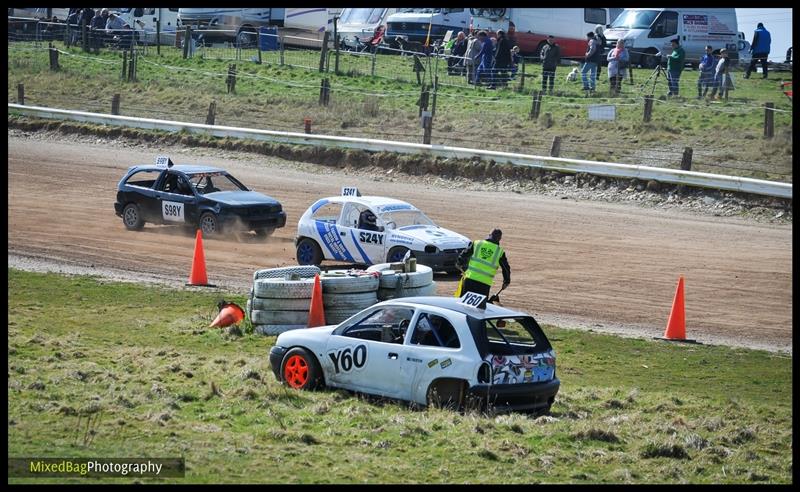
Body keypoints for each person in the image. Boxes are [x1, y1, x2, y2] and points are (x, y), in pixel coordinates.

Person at [455, 228, 511, 309]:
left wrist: (459, 263)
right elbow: (506, 268)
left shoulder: (477, 243)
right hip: (484, 285)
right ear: (500, 239)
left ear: (489, 235)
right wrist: (506, 281)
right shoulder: (499, 252)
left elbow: (464, 255)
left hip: (470, 280)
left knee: (464, 306)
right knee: (479, 309)